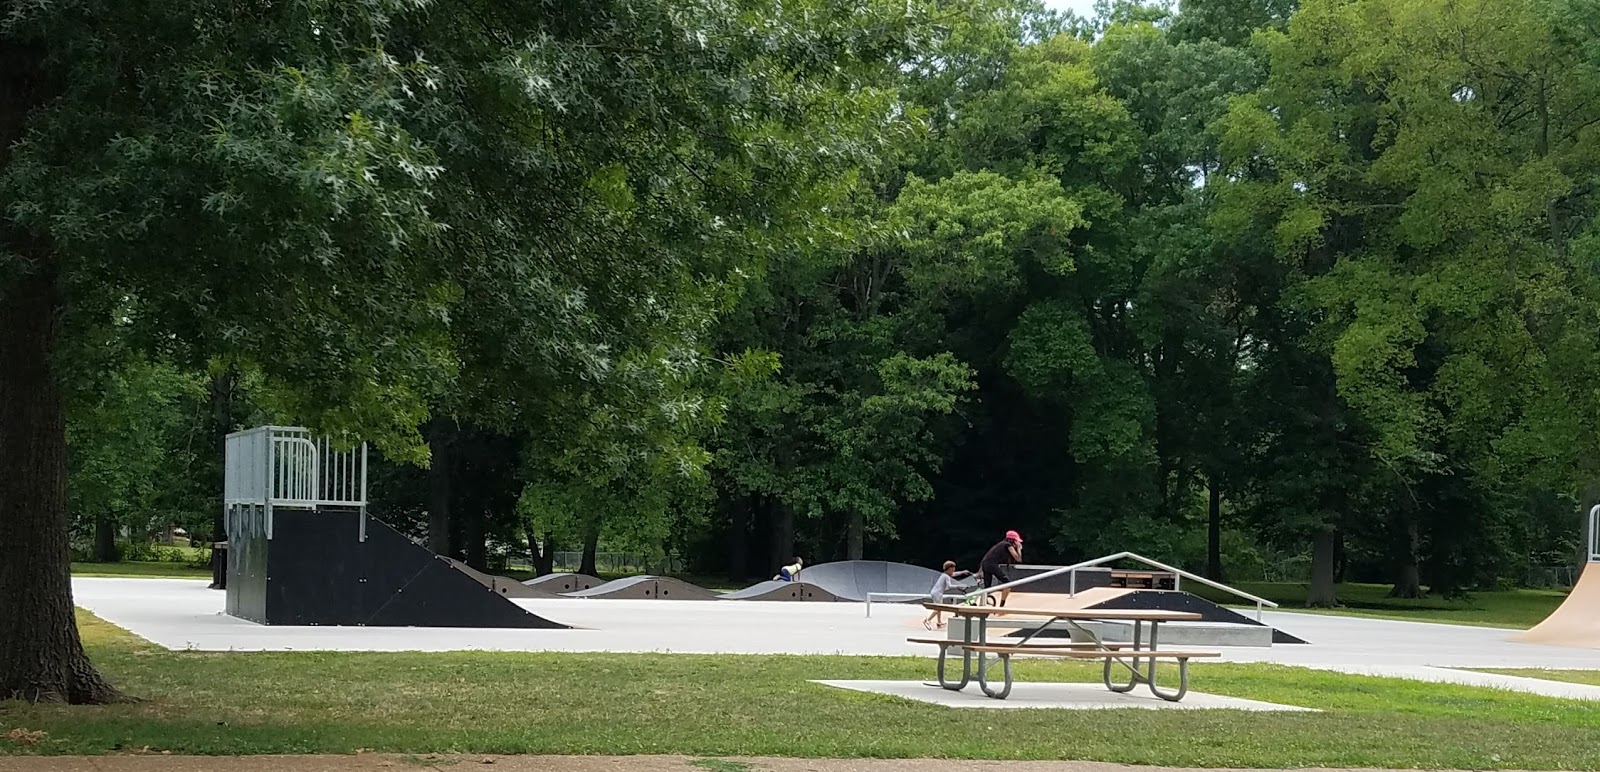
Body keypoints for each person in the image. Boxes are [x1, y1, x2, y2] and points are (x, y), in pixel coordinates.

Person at [923, 561, 974, 630]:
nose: (953, 571)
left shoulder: (945, 575)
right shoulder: (946, 576)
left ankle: (939, 622)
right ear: (949, 569)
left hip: (936, 593)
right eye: (952, 570)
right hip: (937, 593)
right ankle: (927, 620)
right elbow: (950, 586)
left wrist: (963, 572)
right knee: (938, 608)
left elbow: (955, 574)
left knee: (939, 608)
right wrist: (960, 586)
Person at [979, 530, 1023, 607]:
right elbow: (1018, 559)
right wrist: (1019, 549)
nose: (1018, 544)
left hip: (986, 564)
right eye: (1017, 542)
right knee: (1008, 584)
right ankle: (1002, 606)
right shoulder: (1008, 545)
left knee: (987, 588)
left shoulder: (1000, 544)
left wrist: (980, 570)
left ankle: (983, 603)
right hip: (991, 565)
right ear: (1013, 541)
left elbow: (986, 557)